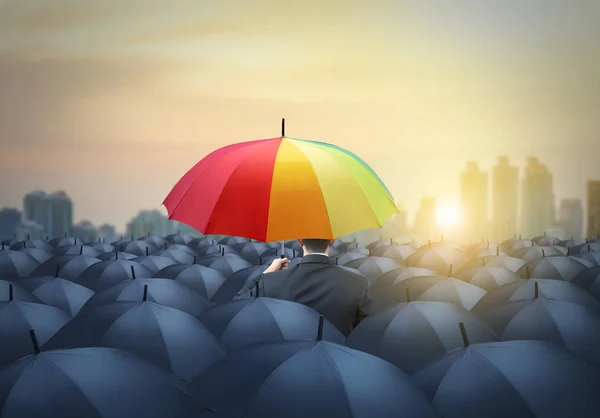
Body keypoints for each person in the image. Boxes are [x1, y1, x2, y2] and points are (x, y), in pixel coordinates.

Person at [243, 238, 372, 336]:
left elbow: (240, 302)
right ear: (332, 241)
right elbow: (365, 331)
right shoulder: (357, 282)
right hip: (338, 364)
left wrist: (268, 272)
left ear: (300, 241)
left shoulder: (272, 281)